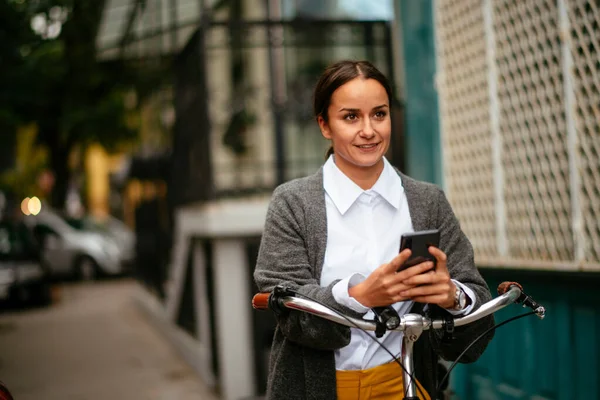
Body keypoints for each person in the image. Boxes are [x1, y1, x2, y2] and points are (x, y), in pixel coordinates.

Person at [254, 60, 494, 400]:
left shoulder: (428, 201)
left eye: (379, 114)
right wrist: (359, 296)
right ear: (324, 124)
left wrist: (452, 297)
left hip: (408, 384)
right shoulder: (292, 203)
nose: (369, 130)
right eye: (351, 117)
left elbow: (476, 301)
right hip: (319, 389)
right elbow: (284, 301)